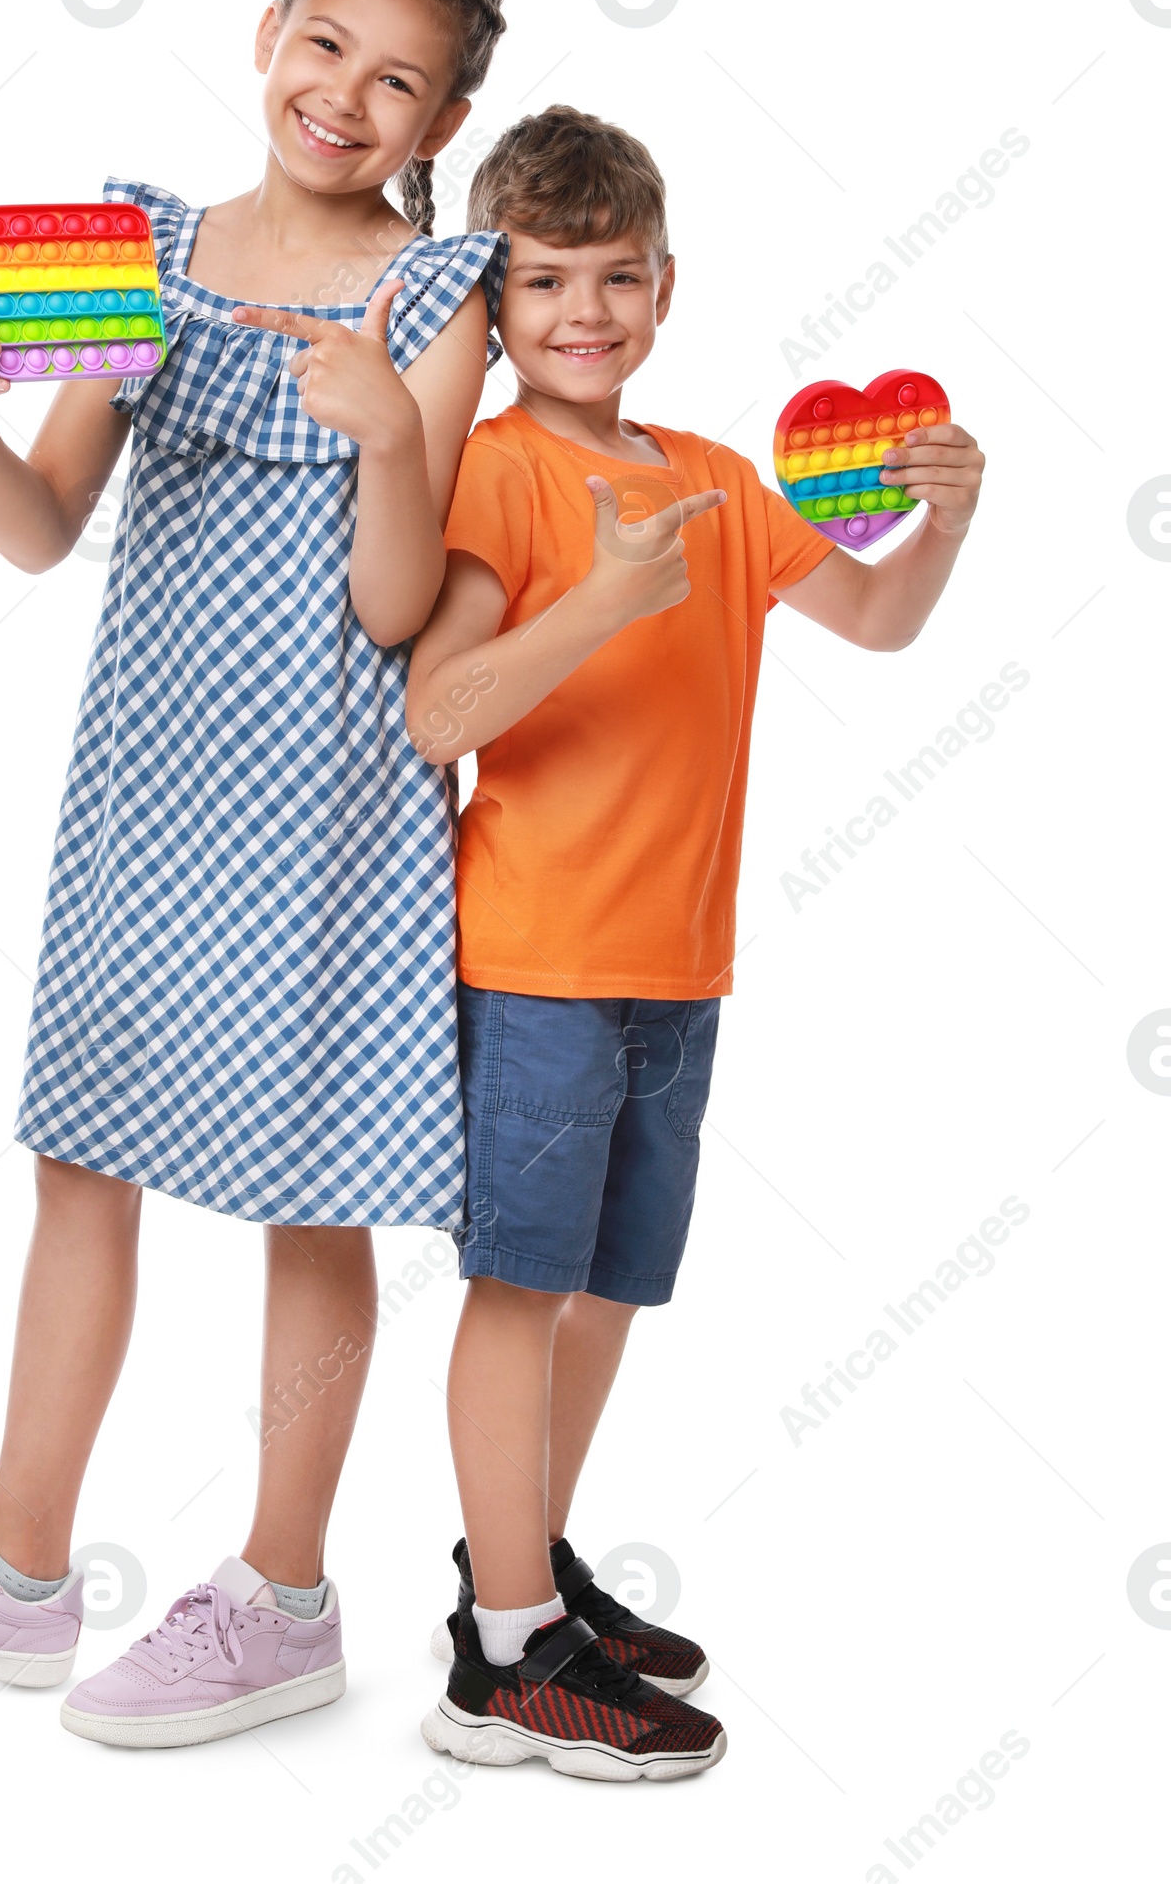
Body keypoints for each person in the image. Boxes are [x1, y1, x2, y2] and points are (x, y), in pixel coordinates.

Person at [0, 0, 509, 1750]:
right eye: (325, 46)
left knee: (309, 1187)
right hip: (149, 778)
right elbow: (44, 524)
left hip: (332, 794)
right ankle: (19, 1575)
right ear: (266, 32)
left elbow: (405, 609)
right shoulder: (141, 251)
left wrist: (388, 434)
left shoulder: (440, 293)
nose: (345, 97)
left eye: (398, 81)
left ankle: (282, 1594)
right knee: (77, 1154)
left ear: (440, 123)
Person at [407, 103, 985, 1781]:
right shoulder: (500, 473)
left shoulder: (724, 484)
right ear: (493, 312)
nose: (583, 313)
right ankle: (502, 1661)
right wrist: (595, 599)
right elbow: (439, 706)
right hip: (534, 962)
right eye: (542, 285)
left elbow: (874, 620)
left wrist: (940, 520)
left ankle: (523, 1571)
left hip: (679, 968)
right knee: (522, 1287)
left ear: (668, 286)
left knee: (609, 1291)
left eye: (616, 277)